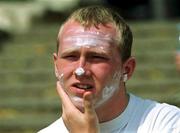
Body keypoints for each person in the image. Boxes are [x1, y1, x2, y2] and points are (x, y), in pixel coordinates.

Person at [38, 5, 180, 133]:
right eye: (71, 56)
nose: (80, 70)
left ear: (127, 69)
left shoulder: (167, 123)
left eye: (96, 57)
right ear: (56, 65)